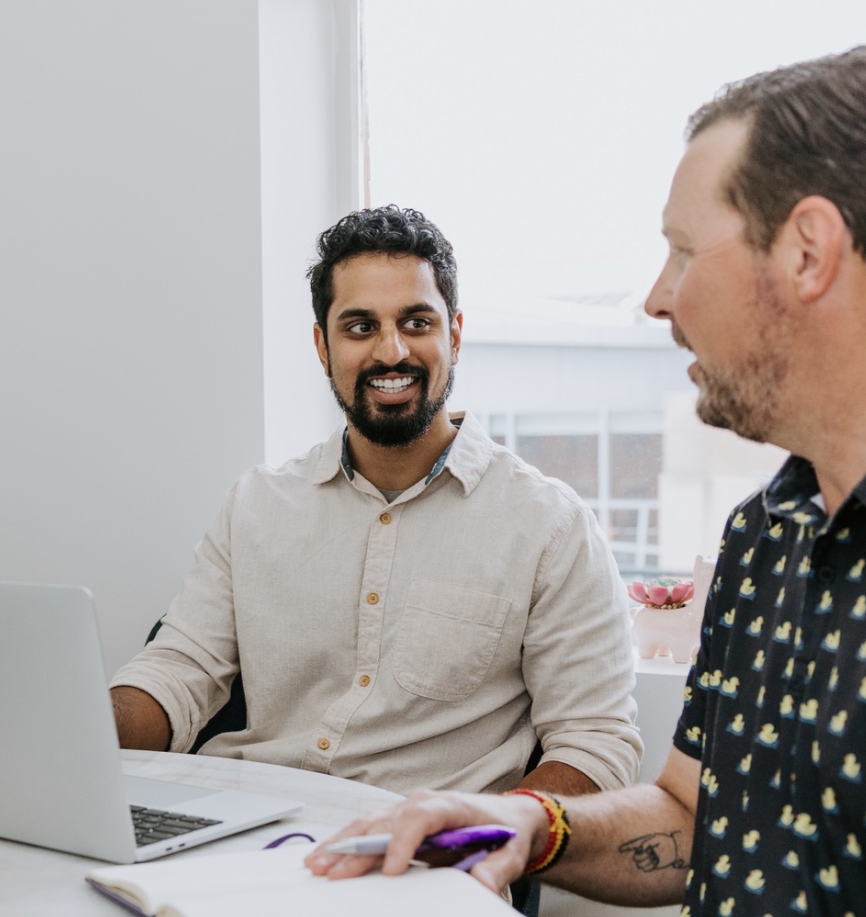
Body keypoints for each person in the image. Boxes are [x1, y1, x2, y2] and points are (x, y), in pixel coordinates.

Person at [308, 48, 866, 916]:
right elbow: (694, 816)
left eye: (680, 252)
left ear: (809, 251)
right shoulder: (772, 527)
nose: (657, 299)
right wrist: (532, 826)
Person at [109, 206, 641, 802]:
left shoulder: (549, 527)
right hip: (238, 825)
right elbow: (180, 672)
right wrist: (82, 731)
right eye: (360, 327)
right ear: (322, 345)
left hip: (418, 858)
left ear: (455, 334)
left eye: (416, 322)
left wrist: (489, 837)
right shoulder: (256, 505)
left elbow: (596, 743)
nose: (391, 352)